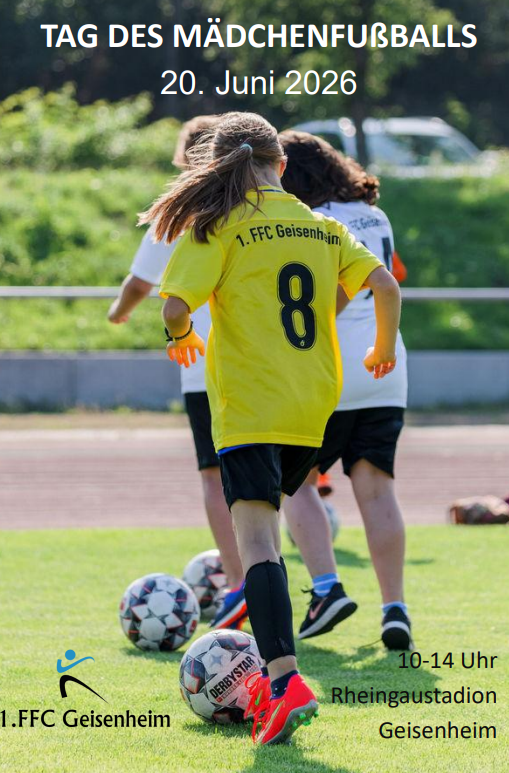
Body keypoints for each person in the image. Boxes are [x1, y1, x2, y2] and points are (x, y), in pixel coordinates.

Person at [139, 111, 401, 745]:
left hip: (250, 407)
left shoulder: (217, 227)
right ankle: (287, 662)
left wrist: (179, 336)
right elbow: (385, 285)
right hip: (313, 406)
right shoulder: (323, 225)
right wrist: (380, 349)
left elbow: (173, 306)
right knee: (277, 527)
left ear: (217, 169)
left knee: (258, 543)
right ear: (281, 165)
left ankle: (283, 683)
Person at [107, 116, 247, 630]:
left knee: (215, 475)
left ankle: (240, 584)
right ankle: (275, 577)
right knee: (265, 476)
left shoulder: (181, 212)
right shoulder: (259, 205)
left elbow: (140, 283)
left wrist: (118, 313)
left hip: (204, 363)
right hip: (264, 363)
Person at [279, 130, 410, 650]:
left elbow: (328, 298)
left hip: (329, 367)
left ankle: (326, 588)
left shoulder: (311, 220)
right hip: (386, 362)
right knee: (377, 489)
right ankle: (395, 608)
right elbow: (390, 279)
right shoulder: (375, 215)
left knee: (295, 482)